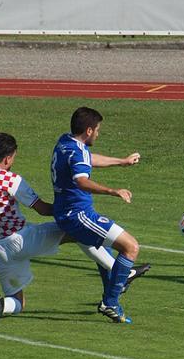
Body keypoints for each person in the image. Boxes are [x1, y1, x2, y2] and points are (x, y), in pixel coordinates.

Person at [0, 132, 149, 323]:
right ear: (7, 159)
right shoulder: (11, 180)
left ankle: (1, 306)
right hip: (21, 239)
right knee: (78, 230)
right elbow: (42, 209)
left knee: (18, 303)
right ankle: (120, 273)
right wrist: (65, 210)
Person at [52, 107, 142, 324]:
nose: (99, 134)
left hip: (69, 211)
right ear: (89, 130)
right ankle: (110, 301)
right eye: (98, 130)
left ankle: (113, 295)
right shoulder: (78, 150)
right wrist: (113, 191)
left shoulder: (65, 142)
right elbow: (81, 180)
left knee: (106, 249)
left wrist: (122, 161)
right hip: (77, 215)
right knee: (131, 247)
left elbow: (88, 159)